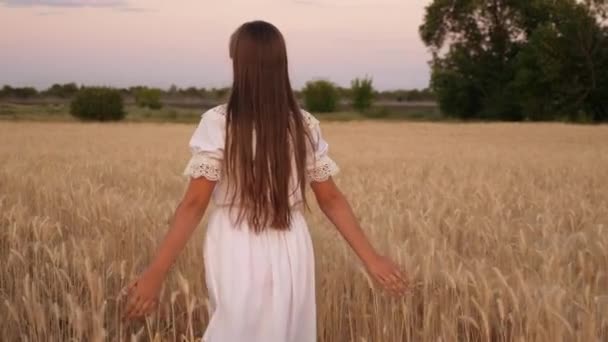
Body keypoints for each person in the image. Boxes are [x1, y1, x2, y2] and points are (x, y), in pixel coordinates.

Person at [122, 20, 408, 342]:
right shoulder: (303, 125)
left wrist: (155, 273)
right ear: (280, 64)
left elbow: (193, 204)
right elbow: (331, 199)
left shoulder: (219, 123)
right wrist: (373, 259)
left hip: (235, 241)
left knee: (237, 332)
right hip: (292, 241)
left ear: (239, 64)